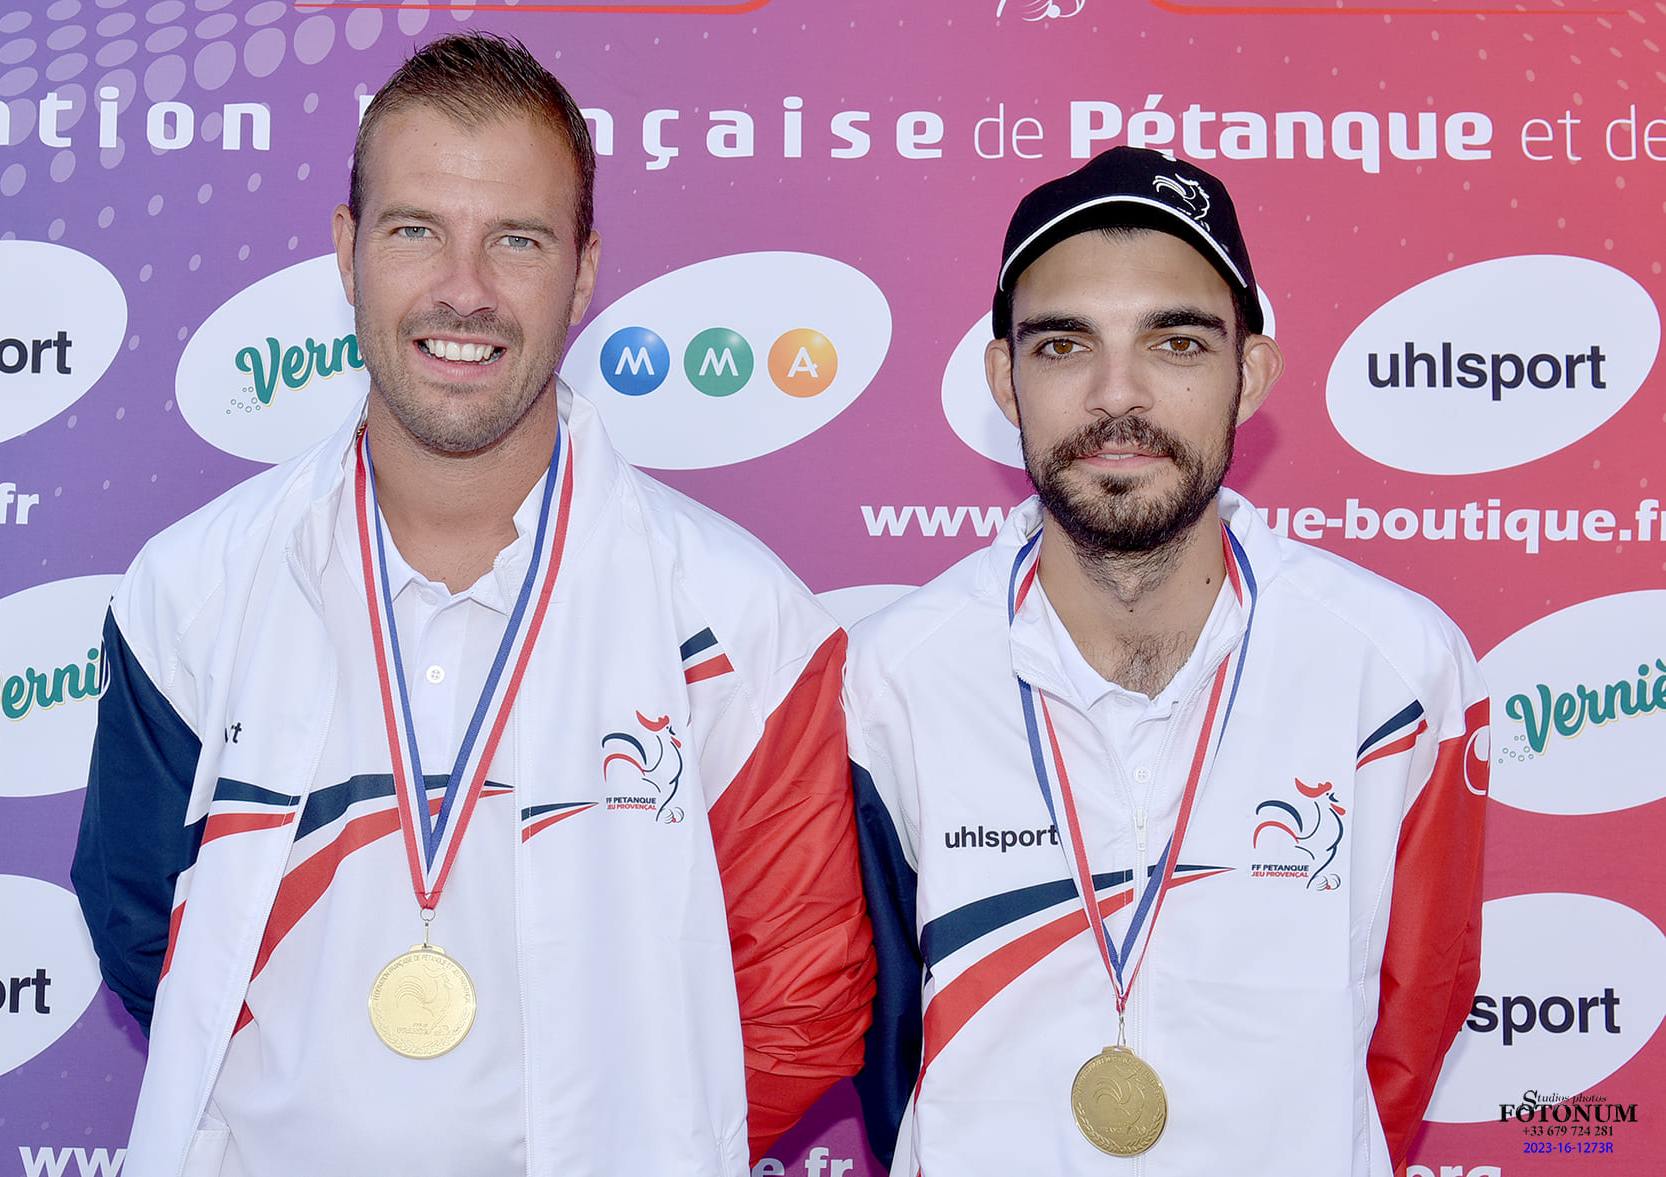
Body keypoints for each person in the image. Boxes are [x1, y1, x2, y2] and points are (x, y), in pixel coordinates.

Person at [72, 32, 873, 1177]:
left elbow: (802, 996)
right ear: (347, 251)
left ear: (584, 271)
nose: (464, 290)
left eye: (517, 239)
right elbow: (146, 929)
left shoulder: (745, 619)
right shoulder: (189, 591)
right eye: (415, 232)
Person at [848, 147, 1488, 1176]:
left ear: (1251, 374)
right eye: (1061, 345)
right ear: (1002, 381)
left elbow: (1413, 1016)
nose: (1116, 396)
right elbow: (876, 1041)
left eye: (1176, 342)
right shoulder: (886, 679)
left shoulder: (1398, 668)